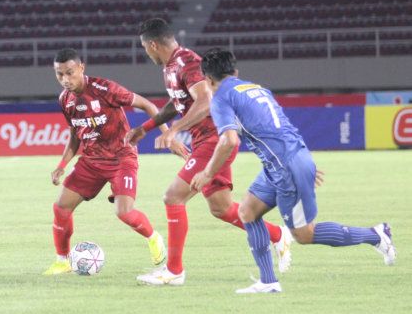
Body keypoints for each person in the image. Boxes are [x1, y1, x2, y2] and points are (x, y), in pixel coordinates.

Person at [191, 48, 396, 293]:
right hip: (284, 162)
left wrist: (207, 173)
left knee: (304, 234)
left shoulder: (221, 97)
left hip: (286, 167)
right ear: (235, 72)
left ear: (208, 80)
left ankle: (376, 235)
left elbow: (229, 141)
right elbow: (281, 126)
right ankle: (268, 282)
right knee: (247, 211)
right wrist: (302, 160)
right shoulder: (255, 89)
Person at [129, 18, 291, 286]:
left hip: (215, 139)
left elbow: (206, 100)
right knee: (222, 208)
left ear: (153, 45)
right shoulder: (171, 67)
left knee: (172, 197)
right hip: (204, 140)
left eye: (145, 49)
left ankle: (174, 271)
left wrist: (173, 131)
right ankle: (277, 235)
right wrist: (147, 127)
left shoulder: (188, 63)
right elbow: (177, 104)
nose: (146, 54)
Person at [43, 48, 178, 275]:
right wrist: (61, 165)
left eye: (69, 73)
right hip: (91, 162)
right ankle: (62, 260)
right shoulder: (65, 100)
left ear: (81, 68)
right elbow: (75, 135)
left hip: (121, 157)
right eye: (59, 75)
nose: (65, 80)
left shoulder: (105, 89)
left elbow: (149, 106)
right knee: (61, 208)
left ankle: (153, 237)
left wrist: (168, 134)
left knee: (124, 212)